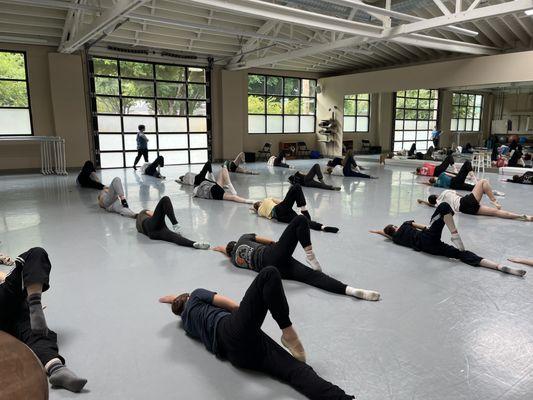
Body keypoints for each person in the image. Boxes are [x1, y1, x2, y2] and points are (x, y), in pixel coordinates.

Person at [158, 267, 355, 400]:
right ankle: (288, 332)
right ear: (189, 297)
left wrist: (174, 300)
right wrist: (248, 316)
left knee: (294, 371)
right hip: (232, 329)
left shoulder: (186, 324)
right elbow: (233, 306)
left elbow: (178, 304)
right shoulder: (197, 294)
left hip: (235, 356)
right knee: (268, 274)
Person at [213, 215, 380, 301]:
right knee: (300, 220)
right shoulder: (244, 237)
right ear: (236, 242)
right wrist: (281, 245)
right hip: (273, 254)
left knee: (313, 277)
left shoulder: (235, 260)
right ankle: (310, 255)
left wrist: (221, 250)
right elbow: (269, 240)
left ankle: (352, 291)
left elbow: (224, 251)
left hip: (273, 270)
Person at [0, 247, 87, 392]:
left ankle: (57, 369)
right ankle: (34, 301)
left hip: (12, 312)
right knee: (35, 254)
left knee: (35, 330)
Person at [369, 203, 526, 276]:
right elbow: (422, 227)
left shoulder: (396, 240)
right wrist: (431, 227)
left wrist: (378, 231)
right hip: (427, 236)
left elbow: (386, 235)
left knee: (459, 254)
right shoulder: (404, 224)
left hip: (428, 248)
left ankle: (498, 267)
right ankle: (454, 232)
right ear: (395, 227)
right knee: (444, 207)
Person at [417, 180, 531, 221]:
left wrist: (424, 202)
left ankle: (525, 217)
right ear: (436, 195)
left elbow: (430, 204)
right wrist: (473, 198)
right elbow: (459, 194)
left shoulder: (438, 205)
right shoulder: (445, 192)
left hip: (466, 210)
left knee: (496, 213)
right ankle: (494, 200)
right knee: (483, 182)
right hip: (465, 202)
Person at [252, 184, 339, 233]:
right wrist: (290, 200)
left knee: (304, 221)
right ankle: (304, 209)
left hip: (279, 218)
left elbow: (254, 209)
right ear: (260, 202)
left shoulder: (259, 212)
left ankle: (323, 227)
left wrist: (254, 209)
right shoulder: (267, 199)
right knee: (296, 187)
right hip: (279, 209)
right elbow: (280, 202)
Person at [136, 196, 209, 249]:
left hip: (153, 233)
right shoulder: (143, 212)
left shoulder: (139, 221)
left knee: (175, 237)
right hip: (153, 227)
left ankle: (193, 244)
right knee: (165, 199)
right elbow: (154, 214)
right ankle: (175, 224)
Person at [179, 162, 254, 204]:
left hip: (215, 191)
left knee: (233, 197)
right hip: (205, 184)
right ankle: (230, 185)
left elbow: (197, 191)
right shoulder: (188, 178)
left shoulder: (200, 190)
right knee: (223, 169)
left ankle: (251, 201)